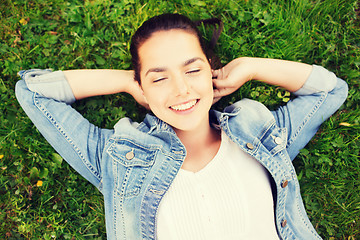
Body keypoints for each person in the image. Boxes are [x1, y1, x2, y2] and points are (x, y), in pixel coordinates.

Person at [15, 13, 348, 240]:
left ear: (211, 71)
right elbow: (33, 93)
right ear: (143, 87)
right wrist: (128, 82)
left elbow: (331, 90)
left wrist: (250, 67)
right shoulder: (118, 158)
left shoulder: (257, 132)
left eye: (192, 70)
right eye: (159, 77)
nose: (181, 90)